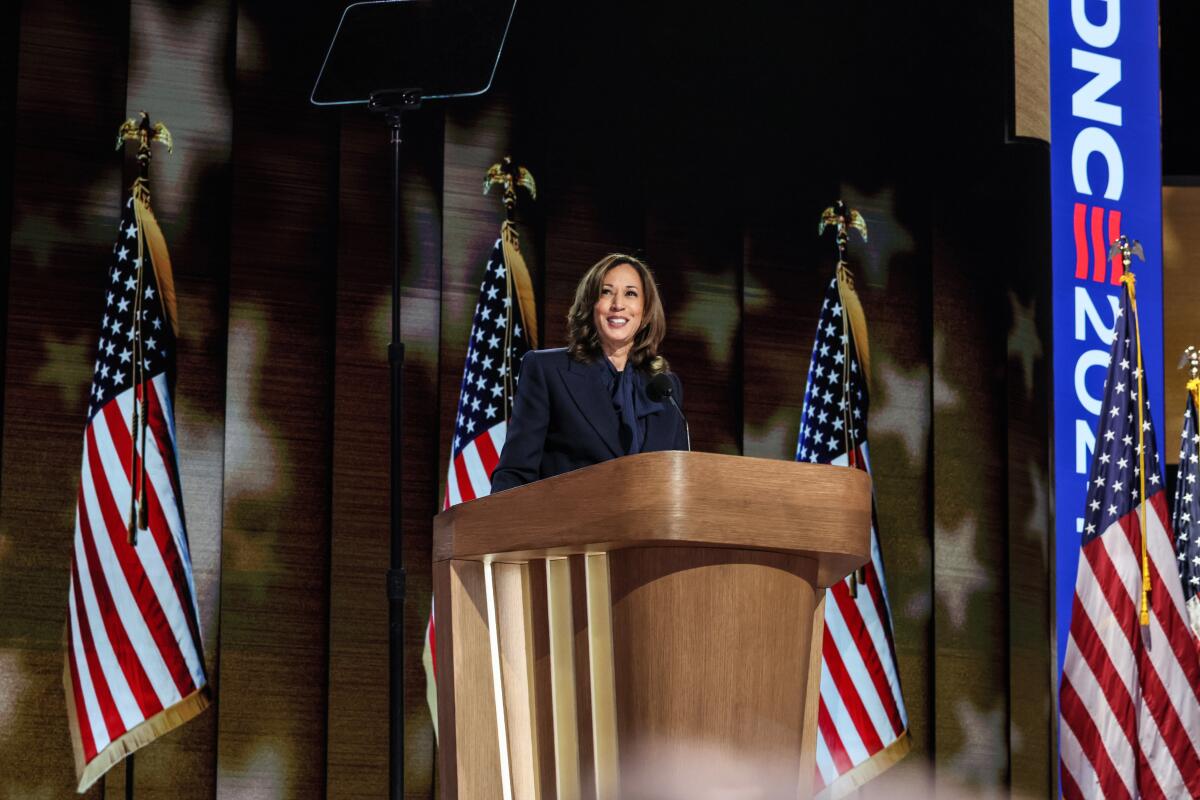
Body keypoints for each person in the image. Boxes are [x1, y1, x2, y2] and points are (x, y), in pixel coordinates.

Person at [490, 253, 688, 492]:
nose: (618, 304)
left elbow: (678, 481)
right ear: (590, 305)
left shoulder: (664, 387)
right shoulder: (548, 370)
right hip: (569, 525)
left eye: (631, 293)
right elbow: (516, 472)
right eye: (606, 292)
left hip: (647, 528)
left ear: (645, 312)